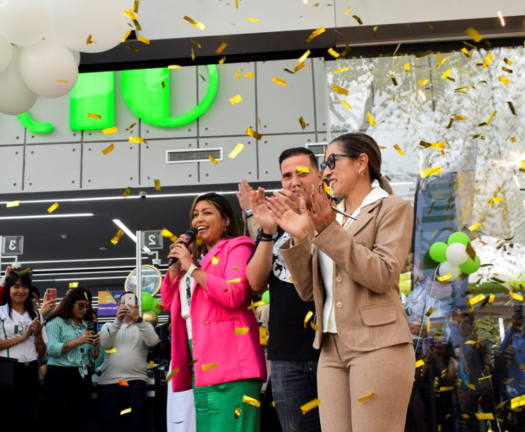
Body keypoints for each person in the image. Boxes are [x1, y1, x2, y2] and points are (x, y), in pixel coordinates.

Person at [267, 132, 416, 432]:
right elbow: (309, 291)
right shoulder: (333, 217)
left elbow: (384, 274)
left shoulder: (391, 208)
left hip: (378, 345)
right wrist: (300, 235)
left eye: (332, 161)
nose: (326, 172)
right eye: (324, 164)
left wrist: (327, 231)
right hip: (331, 348)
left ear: (362, 162)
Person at [160, 193, 266, 432]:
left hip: (231, 361)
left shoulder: (238, 246)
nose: (199, 219)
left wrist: (191, 267)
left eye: (207, 213)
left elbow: (235, 293)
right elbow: (168, 302)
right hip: (199, 360)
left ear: (226, 219)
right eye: (195, 214)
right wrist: (177, 268)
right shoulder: (195, 260)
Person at [240, 147, 323, 432]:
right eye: (287, 176)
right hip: (286, 352)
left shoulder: (334, 218)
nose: (294, 181)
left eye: (301, 173)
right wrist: (266, 231)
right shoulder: (275, 226)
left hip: (332, 349)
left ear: (320, 177)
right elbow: (254, 282)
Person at [0, 270, 47, 432]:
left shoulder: (36, 315)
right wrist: (21, 338)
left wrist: (38, 335)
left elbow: (42, 352)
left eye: (25, 286)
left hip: (30, 370)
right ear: (8, 289)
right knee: (3, 419)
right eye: (16, 286)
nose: (21, 291)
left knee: (26, 418)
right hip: (5, 371)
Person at [99, 292, 160, 432]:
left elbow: (153, 341)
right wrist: (117, 322)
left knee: (134, 426)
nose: (125, 306)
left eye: (130, 303)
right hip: (109, 384)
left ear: (137, 307)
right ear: (118, 307)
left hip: (135, 382)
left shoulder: (143, 326)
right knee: (110, 426)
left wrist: (138, 319)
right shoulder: (109, 325)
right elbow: (104, 344)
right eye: (123, 303)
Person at [44, 287, 100, 432]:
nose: (84, 309)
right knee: (59, 420)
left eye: (87, 306)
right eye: (80, 305)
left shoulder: (86, 325)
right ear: (70, 303)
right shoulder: (56, 322)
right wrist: (79, 341)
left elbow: (92, 359)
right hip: (60, 375)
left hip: (83, 375)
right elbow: (51, 349)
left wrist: (96, 346)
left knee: (80, 419)